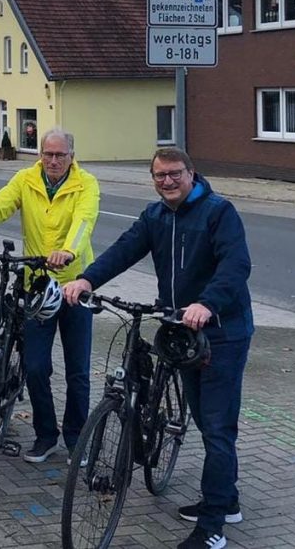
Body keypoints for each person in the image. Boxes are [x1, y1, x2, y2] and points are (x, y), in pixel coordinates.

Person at [63, 147, 253, 549]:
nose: (167, 182)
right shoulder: (156, 216)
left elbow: (236, 264)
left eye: (174, 174)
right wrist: (87, 280)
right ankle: (227, 498)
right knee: (203, 419)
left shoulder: (219, 212)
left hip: (221, 331)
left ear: (191, 173)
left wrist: (207, 303)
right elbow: (123, 250)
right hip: (180, 331)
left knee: (218, 428)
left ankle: (213, 526)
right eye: (159, 175)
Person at [0, 127, 100, 464]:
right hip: (37, 286)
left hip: (75, 285)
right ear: (39, 154)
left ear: (72, 157)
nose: (53, 160)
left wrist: (69, 251)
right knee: (35, 367)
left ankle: (76, 438)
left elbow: (84, 221)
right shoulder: (26, 179)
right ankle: (46, 436)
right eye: (48, 154)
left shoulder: (85, 183)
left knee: (78, 370)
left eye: (61, 155)